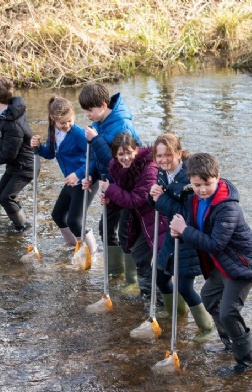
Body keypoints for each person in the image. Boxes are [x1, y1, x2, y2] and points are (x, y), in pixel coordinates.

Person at [169, 153, 252, 376]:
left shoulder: (228, 207)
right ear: (190, 180)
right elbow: (192, 226)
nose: (202, 189)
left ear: (218, 177)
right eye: (196, 184)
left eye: (207, 184)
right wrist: (179, 231)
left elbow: (216, 243)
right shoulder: (194, 198)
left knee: (229, 311)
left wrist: (185, 231)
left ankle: (245, 361)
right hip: (223, 264)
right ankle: (230, 340)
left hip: (242, 265)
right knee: (209, 297)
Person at [149, 134, 214, 338]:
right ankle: (176, 313)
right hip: (172, 234)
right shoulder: (162, 172)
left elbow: (188, 214)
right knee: (160, 275)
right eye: (159, 156)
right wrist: (153, 196)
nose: (163, 160)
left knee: (185, 286)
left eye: (168, 155)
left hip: (190, 237)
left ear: (178, 153)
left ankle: (207, 327)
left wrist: (160, 200)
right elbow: (161, 202)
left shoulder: (188, 179)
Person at [78, 83, 141, 289]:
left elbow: (114, 162)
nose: (87, 114)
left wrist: (95, 140)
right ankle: (116, 273)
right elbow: (99, 162)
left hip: (127, 186)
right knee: (104, 228)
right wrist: (92, 176)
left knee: (125, 233)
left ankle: (132, 280)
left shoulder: (121, 125)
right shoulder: (99, 123)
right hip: (110, 185)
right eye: (85, 111)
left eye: (90, 110)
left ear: (103, 105)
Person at [99, 132, 170, 301]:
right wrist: (109, 200)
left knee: (163, 264)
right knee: (139, 253)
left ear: (136, 150)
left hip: (157, 218)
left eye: (129, 152)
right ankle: (148, 294)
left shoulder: (149, 169)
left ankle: (160, 300)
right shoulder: (118, 168)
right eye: (121, 154)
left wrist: (110, 189)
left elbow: (135, 199)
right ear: (115, 155)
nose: (125, 158)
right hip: (141, 219)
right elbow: (123, 197)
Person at [30, 96, 98, 253]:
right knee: (58, 215)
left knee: (74, 221)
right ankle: (73, 246)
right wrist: (38, 147)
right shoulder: (53, 130)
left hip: (86, 180)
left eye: (70, 121)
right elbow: (50, 153)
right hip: (71, 181)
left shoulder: (79, 134)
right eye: (62, 123)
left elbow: (95, 158)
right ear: (54, 120)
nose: (67, 125)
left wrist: (79, 174)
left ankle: (93, 253)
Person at [0, 78, 34, 232]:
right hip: (16, 165)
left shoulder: (12, 122)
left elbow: (8, 154)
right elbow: (4, 134)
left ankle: (22, 227)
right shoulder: (7, 113)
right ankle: (19, 218)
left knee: (6, 197)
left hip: (25, 167)